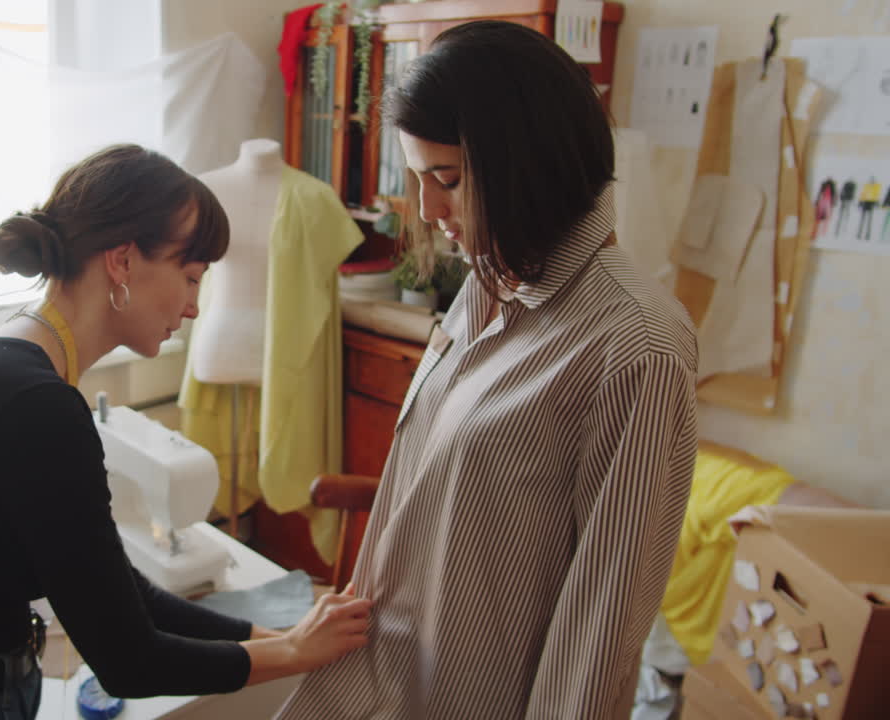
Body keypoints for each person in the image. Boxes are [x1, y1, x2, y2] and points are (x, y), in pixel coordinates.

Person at [0, 144, 372, 720]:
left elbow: (122, 593)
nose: (194, 307)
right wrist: (297, 653)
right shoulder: (36, 406)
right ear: (122, 263)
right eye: (191, 277)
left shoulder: (9, 363)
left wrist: (272, 635)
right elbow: (130, 661)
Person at [276, 21, 698, 719]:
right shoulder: (490, 280)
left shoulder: (636, 346)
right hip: (381, 673)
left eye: (447, 179)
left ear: (531, 165)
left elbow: (603, 624)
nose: (428, 210)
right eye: (419, 179)